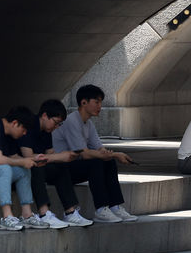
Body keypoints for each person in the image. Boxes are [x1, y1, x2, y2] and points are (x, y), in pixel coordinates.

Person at [53, 84, 138, 223]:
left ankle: (115, 206)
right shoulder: (72, 121)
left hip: (74, 166)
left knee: (107, 161)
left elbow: (99, 148)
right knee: (96, 163)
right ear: (83, 102)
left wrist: (107, 154)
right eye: (96, 102)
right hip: (61, 169)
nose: (100, 106)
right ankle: (100, 209)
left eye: (101, 102)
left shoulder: (88, 123)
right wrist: (115, 154)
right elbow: (84, 154)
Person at [19, 99, 93, 228]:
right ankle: (44, 213)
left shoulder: (47, 131)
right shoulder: (29, 126)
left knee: (59, 166)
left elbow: (51, 154)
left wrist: (64, 156)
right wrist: (58, 156)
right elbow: (28, 157)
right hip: (22, 169)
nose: (56, 127)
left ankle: (70, 212)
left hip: (37, 168)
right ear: (44, 115)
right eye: (56, 122)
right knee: (37, 166)